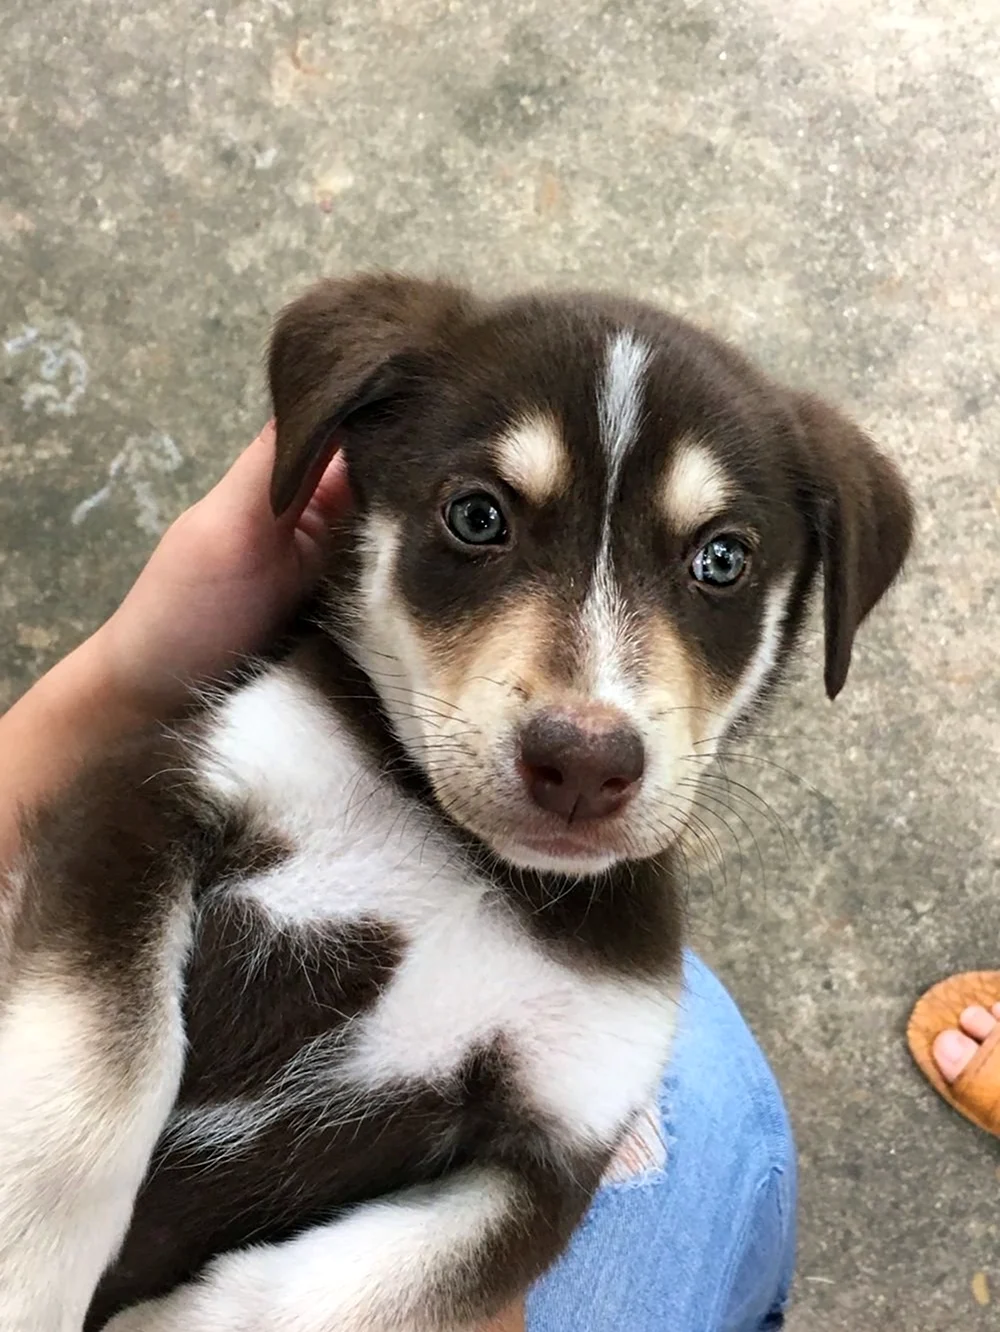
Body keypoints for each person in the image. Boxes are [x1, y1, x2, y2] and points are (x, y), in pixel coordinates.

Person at [0, 425, 797, 1331]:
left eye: (722, 559)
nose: (592, 712)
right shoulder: (304, 728)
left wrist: (128, 679)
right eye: (478, 516)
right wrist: (53, 1173)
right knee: (718, 1097)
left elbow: (527, 1197)